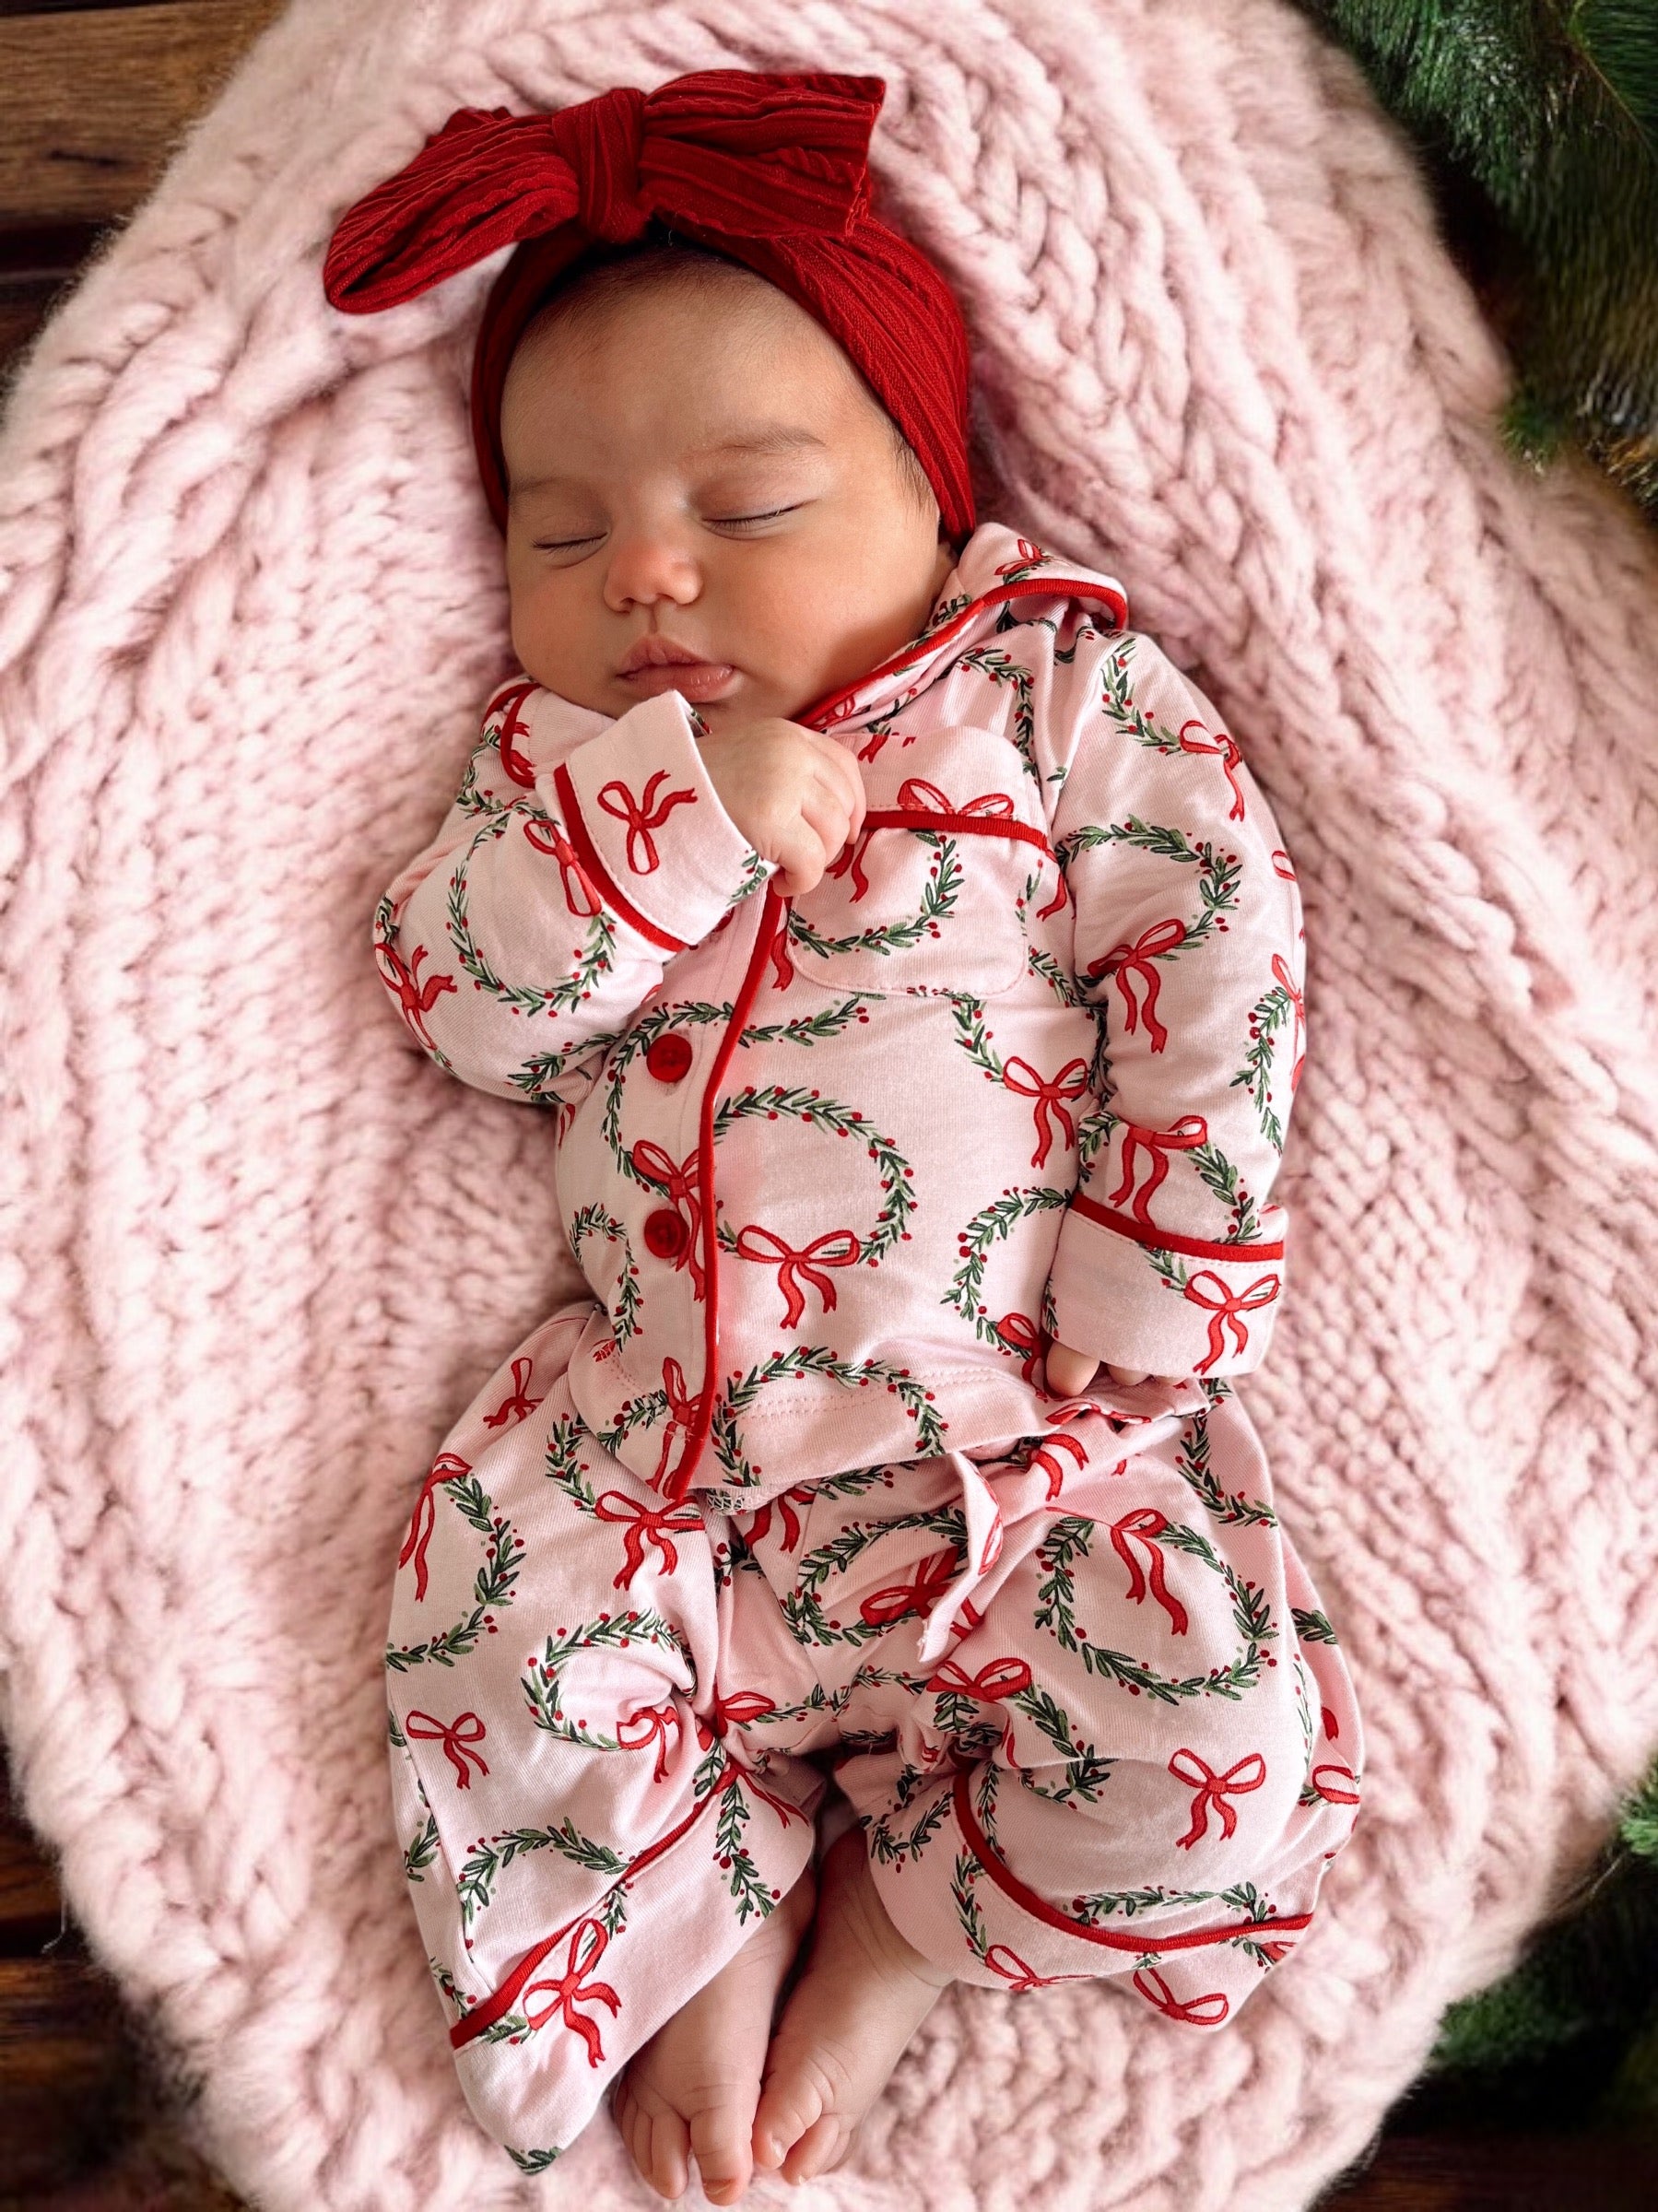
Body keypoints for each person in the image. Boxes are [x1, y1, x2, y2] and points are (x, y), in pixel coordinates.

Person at [325, 67, 1362, 2205]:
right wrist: (664, 823)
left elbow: (1214, 938)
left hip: (1009, 1449)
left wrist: (1166, 1258)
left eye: (753, 507)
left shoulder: (1054, 693)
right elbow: (462, 1005)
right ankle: (698, 1920)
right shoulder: (565, 775)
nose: (648, 577)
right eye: (560, 530)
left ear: (931, 495)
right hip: (654, 1476)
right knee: (484, 1650)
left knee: (1216, 1746)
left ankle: (897, 1923)